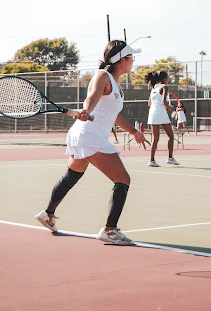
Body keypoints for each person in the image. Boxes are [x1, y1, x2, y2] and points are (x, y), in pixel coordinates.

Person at [35, 40, 150, 245]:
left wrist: (133, 131)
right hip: (90, 134)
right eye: (131, 57)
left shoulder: (117, 85)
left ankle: (47, 214)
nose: (134, 61)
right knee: (123, 179)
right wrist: (86, 110)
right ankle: (110, 230)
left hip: (85, 134)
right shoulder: (103, 76)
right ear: (121, 60)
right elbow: (92, 97)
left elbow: (113, 115)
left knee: (72, 175)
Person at [145, 71, 179, 167]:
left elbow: (149, 104)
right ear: (164, 78)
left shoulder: (154, 88)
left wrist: (165, 106)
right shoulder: (164, 87)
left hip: (152, 113)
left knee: (155, 139)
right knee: (171, 136)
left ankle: (152, 161)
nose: (168, 79)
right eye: (167, 77)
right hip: (160, 112)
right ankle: (170, 158)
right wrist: (168, 107)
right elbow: (164, 100)